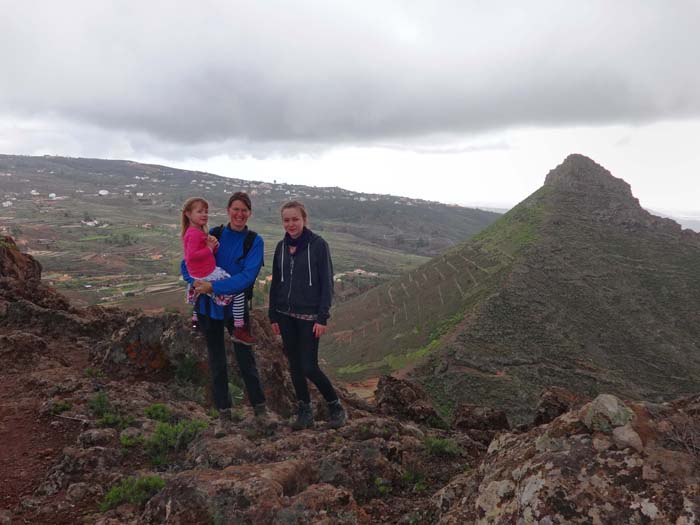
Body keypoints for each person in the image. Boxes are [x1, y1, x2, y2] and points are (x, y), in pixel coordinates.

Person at [181, 192, 267, 436]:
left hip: (236, 310)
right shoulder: (214, 235)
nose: (239, 214)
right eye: (235, 209)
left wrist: (214, 286)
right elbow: (187, 263)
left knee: (246, 360)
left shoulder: (254, 241)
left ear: (249, 213)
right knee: (217, 361)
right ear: (228, 210)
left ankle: (261, 411)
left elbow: (247, 276)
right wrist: (196, 282)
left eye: (244, 210)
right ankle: (224, 416)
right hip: (209, 307)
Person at [268, 201, 347, 429]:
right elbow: (276, 284)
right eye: (286, 220)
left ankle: (335, 406)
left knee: (309, 366)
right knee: (294, 364)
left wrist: (322, 317)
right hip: (284, 315)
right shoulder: (281, 247)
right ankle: (304, 410)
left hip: (309, 317)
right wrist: (273, 315)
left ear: (304, 220)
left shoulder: (318, 245)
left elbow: (326, 284)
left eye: (295, 219)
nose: (291, 224)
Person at [180, 197, 254, 345]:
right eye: (199, 211)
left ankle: (195, 319)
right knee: (238, 292)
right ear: (188, 214)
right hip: (208, 273)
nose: (204, 214)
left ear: (249, 213)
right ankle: (239, 327)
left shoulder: (199, 232)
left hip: (202, 273)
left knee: (198, 291)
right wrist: (209, 248)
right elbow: (190, 257)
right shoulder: (195, 233)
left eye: (206, 212)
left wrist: (213, 246)